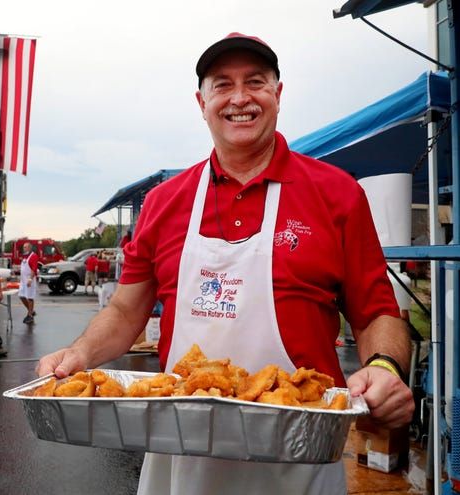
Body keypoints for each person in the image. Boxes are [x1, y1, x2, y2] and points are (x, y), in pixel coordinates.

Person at [37, 33, 414, 494]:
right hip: (180, 456)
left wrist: (385, 367)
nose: (240, 98)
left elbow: (378, 311)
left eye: (255, 82)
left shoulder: (337, 195)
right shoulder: (164, 202)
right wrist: (79, 354)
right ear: (202, 102)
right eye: (222, 85)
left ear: (278, 94)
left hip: (297, 460)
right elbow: (125, 311)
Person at [18, 242, 39, 324]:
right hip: (23, 281)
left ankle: (30, 316)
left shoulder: (33, 256)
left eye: (26, 247)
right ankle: (31, 311)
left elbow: (34, 268)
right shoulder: (25, 257)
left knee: (30, 298)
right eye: (24, 247)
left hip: (29, 280)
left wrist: (30, 279)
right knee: (21, 296)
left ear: (30, 248)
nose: (24, 248)